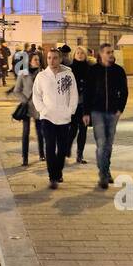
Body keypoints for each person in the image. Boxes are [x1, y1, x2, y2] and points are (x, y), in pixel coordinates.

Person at [33, 46, 81, 189]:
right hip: (47, 117)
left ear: (60, 59)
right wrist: (43, 110)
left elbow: (73, 94)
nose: (51, 61)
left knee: (62, 149)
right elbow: (36, 96)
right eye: (49, 58)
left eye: (54, 58)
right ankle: (52, 175)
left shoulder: (68, 75)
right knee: (49, 146)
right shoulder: (41, 76)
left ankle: (58, 171)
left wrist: (70, 111)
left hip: (64, 118)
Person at [88, 42, 128, 189]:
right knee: (101, 143)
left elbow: (124, 91)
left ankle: (105, 169)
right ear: (101, 54)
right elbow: (88, 92)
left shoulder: (118, 71)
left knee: (108, 144)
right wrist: (86, 112)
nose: (111, 54)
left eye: (112, 52)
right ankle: (103, 174)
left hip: (112, 112)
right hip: (97, 111)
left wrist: (120, 109)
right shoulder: (93, 71)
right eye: (108, 52)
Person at [69, 46, 96, 165]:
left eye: (82, 53)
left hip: (85, 105)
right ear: (74, 55)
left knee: (83, 130)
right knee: (72, 130)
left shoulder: (90, 69)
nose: (80, 55)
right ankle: (66, 148)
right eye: (78, 53)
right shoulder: (69, 69)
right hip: (73, 105)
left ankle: (80, 154)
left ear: (85, 55)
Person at [14, 59, 42, 165]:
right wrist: (24, 100)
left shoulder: (43, 73)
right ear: (30, 61)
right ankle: (25, 158)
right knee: (26, 132)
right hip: (27, 106)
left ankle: (42, 154)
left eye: (38, 59)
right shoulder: (23, 74)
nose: (37, 61)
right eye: (35, 59)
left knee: (40, 132)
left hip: (38, 107)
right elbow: (17, 90)